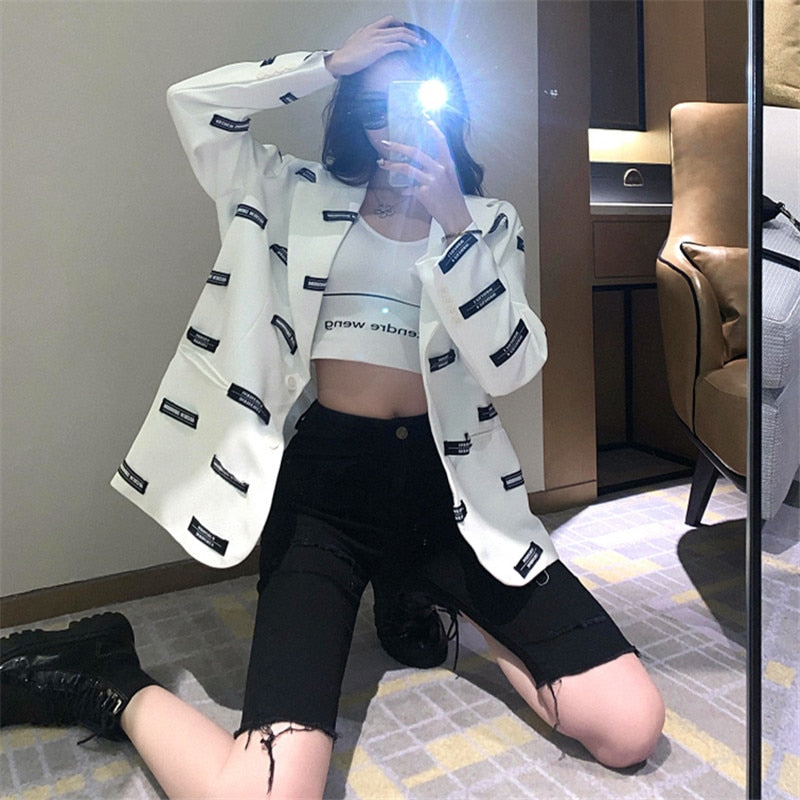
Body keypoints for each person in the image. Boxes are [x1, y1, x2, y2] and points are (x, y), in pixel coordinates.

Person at [0, 17, 665, 799]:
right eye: (373, 104)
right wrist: (326, 63)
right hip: (327, 495)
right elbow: (194, 103)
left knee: (630, 727)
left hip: (450, 492)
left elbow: (513, 366)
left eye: (413, 101)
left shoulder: (487, 221)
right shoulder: (291, 191)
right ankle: (106, 677)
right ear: (352, 111)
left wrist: (453, 218)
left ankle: (427, 589)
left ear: (447, 105)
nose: (393, 123)